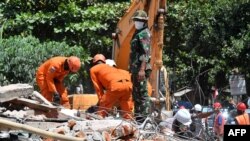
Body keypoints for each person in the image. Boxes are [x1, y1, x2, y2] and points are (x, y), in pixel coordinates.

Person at [90, 54, 133, 119]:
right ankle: (129, 124)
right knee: (127, 113)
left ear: (94, 63)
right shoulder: (112, 68)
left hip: (115, 86)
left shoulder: (93, 69)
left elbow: (98, 89)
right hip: (129, 86)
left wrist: (101, 102)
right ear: (104, 61)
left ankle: (99, 122)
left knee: (102, 111)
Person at [129, 9, 152, 123]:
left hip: (141, 68)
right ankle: (139, 118)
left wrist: (142, 69)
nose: (136, 22)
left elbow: (145, 53)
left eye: (139, 20)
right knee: (136, 93)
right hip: (136, 68)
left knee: (142, 94)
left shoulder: (144, 33)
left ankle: (145, 118)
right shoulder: (137, 32)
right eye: (135, 20)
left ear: (144, 22)